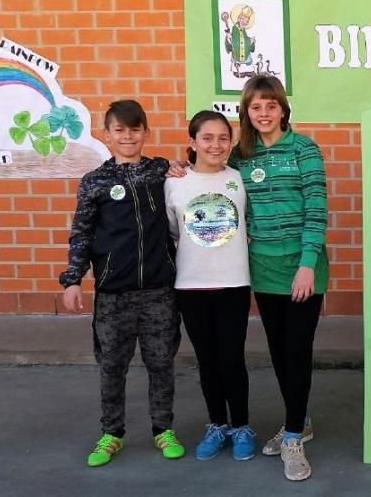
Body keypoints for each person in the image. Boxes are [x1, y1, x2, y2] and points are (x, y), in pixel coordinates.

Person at [59, 99, 184, 467]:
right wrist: (72, 280)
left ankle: (163, 429)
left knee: (162, 363)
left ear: (146, 132)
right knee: (112, 366)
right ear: (106, 134)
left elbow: (194, 184)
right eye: (120, 130)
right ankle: (111, 433)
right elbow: (81, 233)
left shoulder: (162, 171)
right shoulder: (95, 182)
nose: (128, 136)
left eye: (135, 129)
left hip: (159, 291)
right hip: (114, 295)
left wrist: (182, 168)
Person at [234, 75, 328, 481]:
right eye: (256, 107)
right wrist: (183, 169)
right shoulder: (241, 155)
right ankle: (300, 419)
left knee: (297, 350)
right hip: (264, 268)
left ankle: (292, 437)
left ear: (283, 109)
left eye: (271, 106)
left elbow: (317, 208)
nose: (264, 113)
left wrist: (307, 263)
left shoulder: (304, 148)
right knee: (277, 352)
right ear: (247, 113)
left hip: (303, 268)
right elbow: (212, 178)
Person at [164, 111, 253, 461]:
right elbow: (173, 231)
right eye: (207, 138)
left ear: (231, 143)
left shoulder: (239, 178)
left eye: (222, 138)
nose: (215, 145)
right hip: (191, 286)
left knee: (232, 358)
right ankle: (217, 424)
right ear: (193, 142)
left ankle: (242, 425)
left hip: (233, 283)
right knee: (208, 360)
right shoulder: (174, 182)